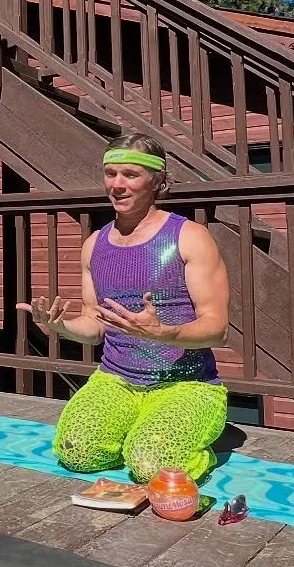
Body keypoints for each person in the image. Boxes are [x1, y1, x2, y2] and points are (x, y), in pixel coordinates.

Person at [20, 131, 231, 484]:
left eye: (131, 175)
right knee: (77, 451)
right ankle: (136, 427)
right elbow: (95, 325)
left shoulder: (189, 237)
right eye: (110, 173)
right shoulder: (93, 245)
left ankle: (177, 443)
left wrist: (166, 333)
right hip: (116, 380)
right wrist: (62, 327)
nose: (117, 184)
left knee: (152, 465)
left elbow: (218, 329)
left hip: (187, 385)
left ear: (157, 180)